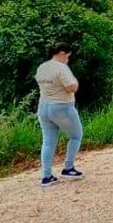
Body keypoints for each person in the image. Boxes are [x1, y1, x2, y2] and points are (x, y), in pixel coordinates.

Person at [34, 43, 83, 187]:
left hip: (43, 107)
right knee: (76, 136)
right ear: (62, 53)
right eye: (68, 57)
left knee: (48, 141)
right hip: (62, 106)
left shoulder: (42, 67)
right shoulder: (61, 68)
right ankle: (68, 168)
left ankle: (46, 176)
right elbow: (71, 87)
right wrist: (75, 82)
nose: (68, 60)